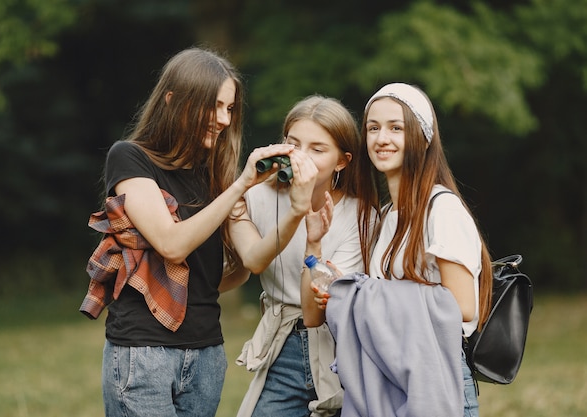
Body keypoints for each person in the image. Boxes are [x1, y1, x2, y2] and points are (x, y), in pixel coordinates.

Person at [78, 47, 299, 417]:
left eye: (229, 108)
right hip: (144, 354)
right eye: (214, 106)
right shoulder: (131, 158)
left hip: (207, 356)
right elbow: (171, 243)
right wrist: (241, 185)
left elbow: (238, 269)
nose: (224, 119)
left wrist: (295, 208)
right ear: (173, 100)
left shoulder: (216, 175)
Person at [305, 83, 493, 417]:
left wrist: (363, 295)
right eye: (373, 128)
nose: (381, 138)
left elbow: (463, 306)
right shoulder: (389, 214)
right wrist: (345, 291)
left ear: (423, 137)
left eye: (396, 128)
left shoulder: (441, 208)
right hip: (393, 377)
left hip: (438, 377)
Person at [220, 95, 370, 417]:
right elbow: (252, 261)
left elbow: (316, 307)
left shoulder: (361, 217)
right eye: (293, 143)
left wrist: (313, 244)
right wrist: (294, 209)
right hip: (282, 344)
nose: (301, 156)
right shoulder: (255, 197)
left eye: (317, 149)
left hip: (338, 347)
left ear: (342, 161)